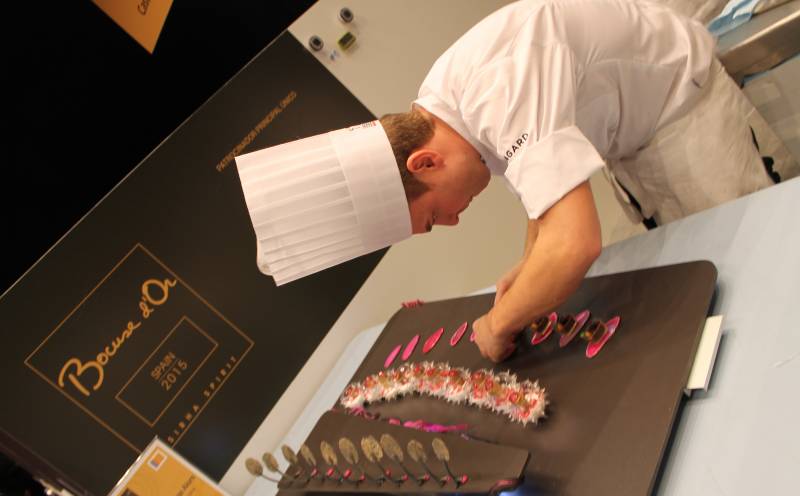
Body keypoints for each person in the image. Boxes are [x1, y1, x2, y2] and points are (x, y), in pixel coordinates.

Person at [235, 0, 777, 362]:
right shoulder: (443, 107)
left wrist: (498, 324)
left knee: (757, 271)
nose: (449, 221)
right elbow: (536, 176)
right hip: (629, 139)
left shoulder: (496, 89)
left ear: (424, 164)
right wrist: (527, 261)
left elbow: (575, 243)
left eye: (431, 217)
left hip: (681, 107)